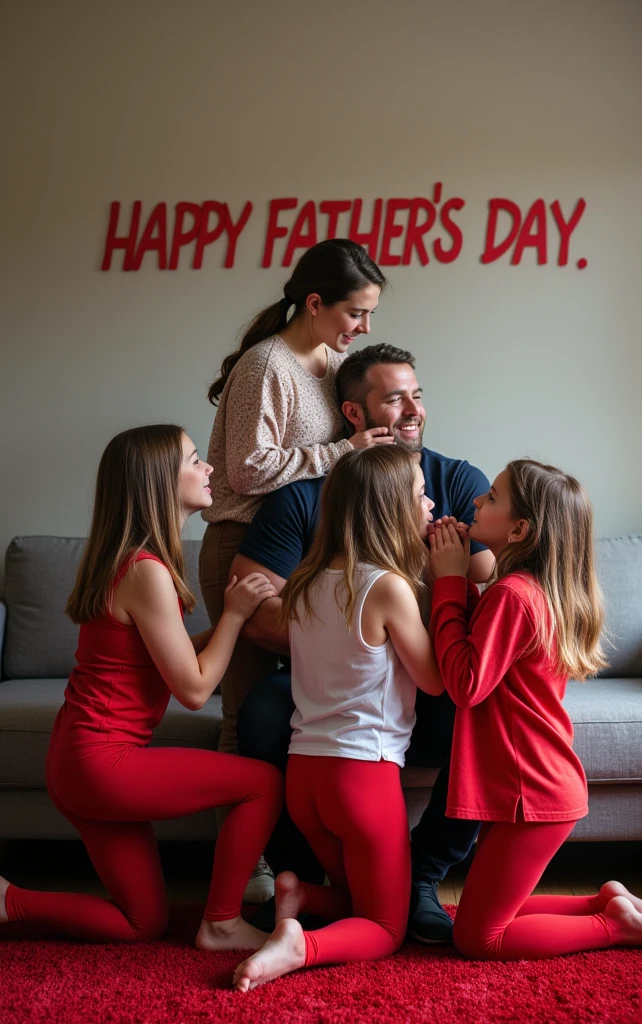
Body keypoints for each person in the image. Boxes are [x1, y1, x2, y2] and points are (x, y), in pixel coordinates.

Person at [231, 343, 495, 943]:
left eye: (417, 394)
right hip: (349, 694)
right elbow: (252, 607)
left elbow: (489, 592)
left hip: (401, 680)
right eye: (394, 397)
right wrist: (361, 636)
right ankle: (310, 877)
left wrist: (375, 625)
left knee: (472, 696)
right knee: (265, 707)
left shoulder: (457, 479)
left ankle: (420, 872)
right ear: (354, 412)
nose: (412, 409)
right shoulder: (305, 495)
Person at [0, 425, 283, 950]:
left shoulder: (130, 561)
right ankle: (221, 922)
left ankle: (9, 900)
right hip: (101, 764)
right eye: (196, 460)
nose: (210, 469)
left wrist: (230, 625)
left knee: (142, 924)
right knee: (262, 782)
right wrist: (236, 616)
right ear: (158, 480)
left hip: (74, 762)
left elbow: (162, 655)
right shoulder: (145, 571)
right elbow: (194, 690)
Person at [427, 459, 642, 959]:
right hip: (534, 783)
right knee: (489, 910)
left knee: (479, 938)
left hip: (532, 791)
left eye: (493, 497)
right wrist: (459, 583)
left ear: (520, 529)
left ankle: (617, 929)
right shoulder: (529, 590)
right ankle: (604, 902)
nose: (478, 500)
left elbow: (465, 684)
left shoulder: (512, 594)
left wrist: (446, 584)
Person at [200, 239, 389, 900]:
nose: (363, 328)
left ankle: (291, 856)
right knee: (241, 712)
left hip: (302, 551)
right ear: (314, 302)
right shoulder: (266, 365)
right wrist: (343, 450)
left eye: (368, 315)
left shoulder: (332, 364)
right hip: (243, 544)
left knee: (293, 711)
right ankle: (240, 872)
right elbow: (248, 470)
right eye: (355, 313)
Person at [233, 446, 445, 992]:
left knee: (359, 898)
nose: (431, 503)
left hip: (305, 774)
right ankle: (303, 944)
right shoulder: (387, 587)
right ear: (392, 508)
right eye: (420, 494)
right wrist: (447, 586)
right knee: (386, 926)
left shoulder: (303, 584)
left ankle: (297, 894)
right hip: (363, 775)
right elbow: (435, 681)